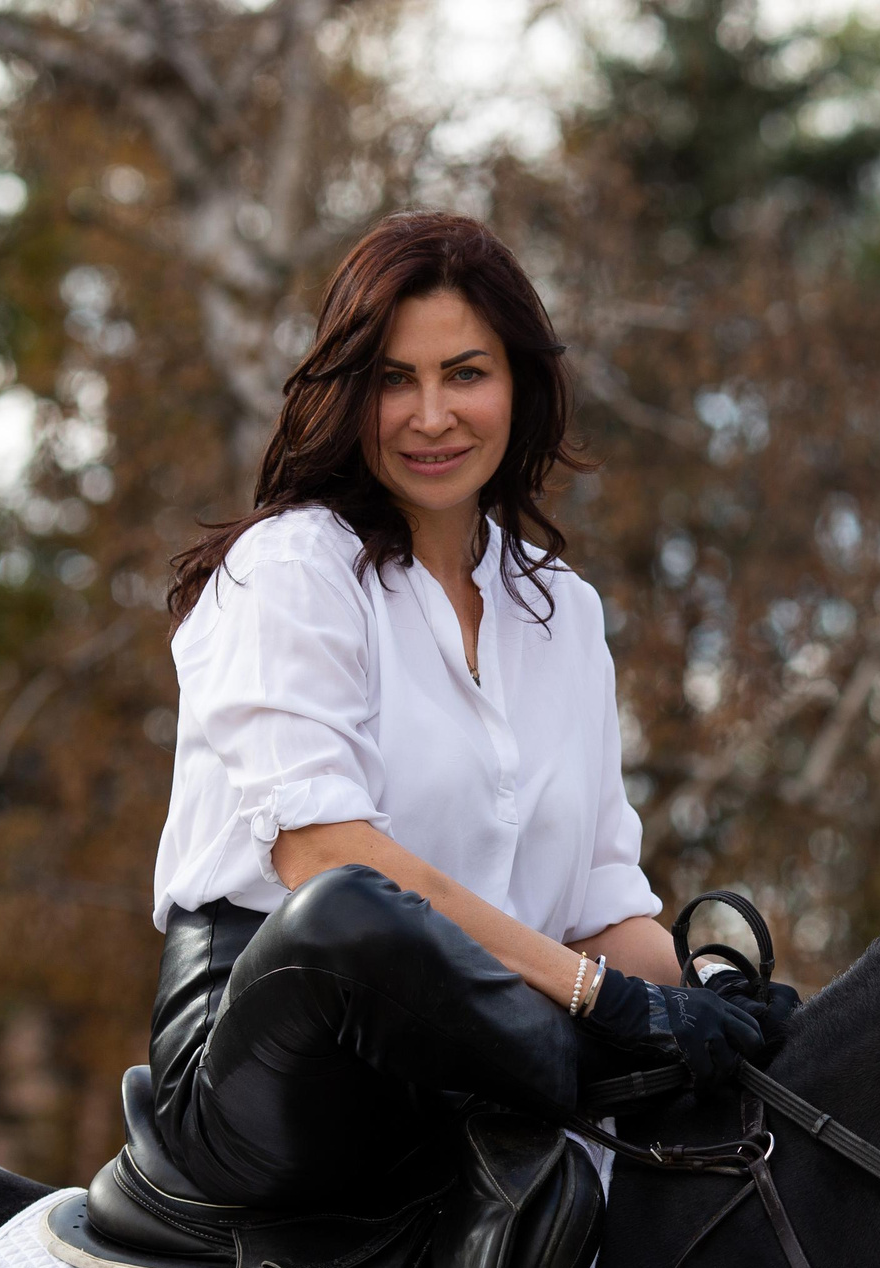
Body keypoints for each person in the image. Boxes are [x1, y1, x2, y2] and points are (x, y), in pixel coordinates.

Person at [145, 210, 772, 1213]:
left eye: (465, 374)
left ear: (519, 387)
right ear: (350, 396)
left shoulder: (561, 610)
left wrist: (706, 999)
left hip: (488, 1044)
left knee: (727, 1088)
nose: (430, 415)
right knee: (357, 911)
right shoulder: (292, 566)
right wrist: (600, 1000)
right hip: (273, 1041)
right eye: (394, 379)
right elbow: (323, 859)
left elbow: (603, 907)